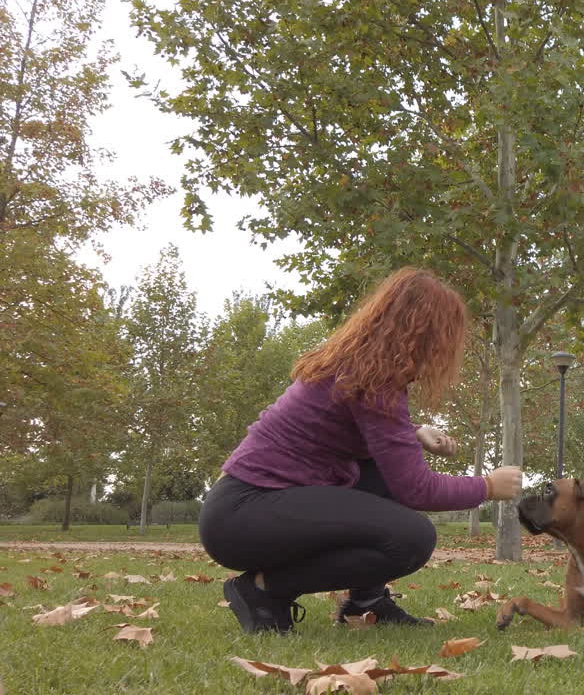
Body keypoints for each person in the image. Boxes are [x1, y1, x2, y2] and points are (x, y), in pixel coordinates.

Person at [198, 268, 522, 634]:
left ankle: (366, 603)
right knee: (411, 539)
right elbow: (415, 488)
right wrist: (488, 486)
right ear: (425, 334)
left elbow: (357, 434)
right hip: (243, 514)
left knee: (382, 479)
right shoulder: (376, 381)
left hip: (244, 508)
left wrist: (414, 433)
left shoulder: (360, 366)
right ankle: (262, 591)